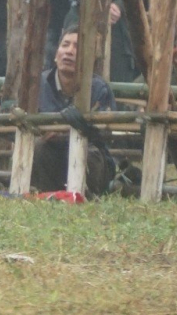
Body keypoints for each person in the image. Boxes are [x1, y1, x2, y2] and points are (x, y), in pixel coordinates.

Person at [32, 20, 117, 194]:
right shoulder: (38, 85)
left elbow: (105, 134)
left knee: (90, 155)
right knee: (39, 148)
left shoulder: (99, 88)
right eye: (65, 45)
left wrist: (67, 133)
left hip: (90, 157)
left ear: (90, 58)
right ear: (56, 54)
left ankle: (85, 196)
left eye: (77, 47)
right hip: (51, 154)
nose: (69, 52)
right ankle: (46, 196)